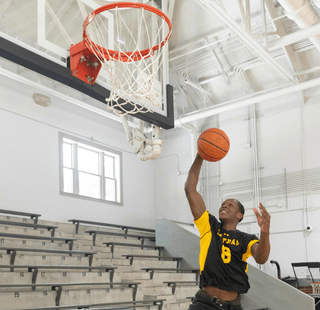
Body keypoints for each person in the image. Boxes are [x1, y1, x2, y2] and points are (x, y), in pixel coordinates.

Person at [185, 153, 271, 310]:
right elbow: (190, 189)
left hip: (232, 305)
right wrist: (200, 156)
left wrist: (265, 232)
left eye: (230, 205)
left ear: (240, 216)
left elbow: (261, 258)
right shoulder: (209, 226)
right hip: (205, 303)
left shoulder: (246, 239)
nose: (224, 206)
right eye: (223, 204)